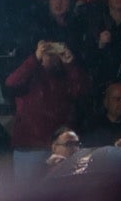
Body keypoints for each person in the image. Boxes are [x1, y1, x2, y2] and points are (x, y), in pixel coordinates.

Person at [6, 39, 89, 176]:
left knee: (61, 192)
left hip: (61, 146)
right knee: (29, 195)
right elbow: (11, 84)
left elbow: (82, 91)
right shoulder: (29, 74)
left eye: (55, 51)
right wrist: (34, 58)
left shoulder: (66, 76)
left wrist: (70, 64)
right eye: (48, 52)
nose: (52, 56)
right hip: (30, 147)